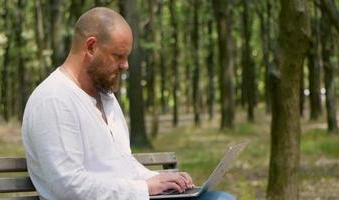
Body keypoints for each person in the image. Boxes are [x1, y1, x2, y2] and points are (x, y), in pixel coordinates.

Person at [21, 7, 235, 200]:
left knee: (220, 199)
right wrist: (143, 189)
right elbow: (68, 187)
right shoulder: (54, 99)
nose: (125, 65)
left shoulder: (106, 97)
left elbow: (122, 164)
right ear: (91, 47)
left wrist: (162, 180)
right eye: (118, 56)